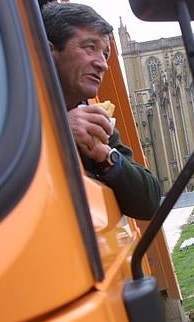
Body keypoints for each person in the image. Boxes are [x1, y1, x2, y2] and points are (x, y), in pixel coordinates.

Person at [42, 2, 161, 220]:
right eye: (90, 47)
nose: (103, 64)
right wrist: (58, 128)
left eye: (105, 54)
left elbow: (150, 201)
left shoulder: (94, 120)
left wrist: (104, 155)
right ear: (49, 52)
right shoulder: (13, 110)